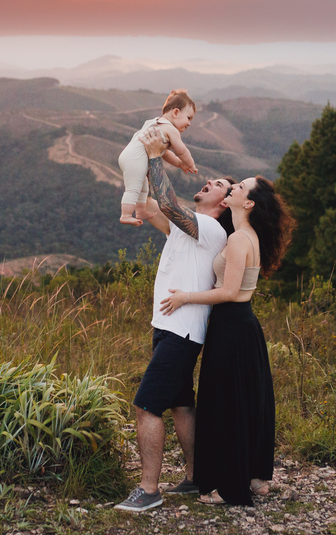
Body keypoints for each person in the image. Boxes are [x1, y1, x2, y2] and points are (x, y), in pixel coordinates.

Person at [113, 130, 233, 513]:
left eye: (220, 186)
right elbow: (154, 208)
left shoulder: (211, 229)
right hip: (169, 327)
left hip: (182, 331)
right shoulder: (188, 229)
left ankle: (149, 491)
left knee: (148, 405)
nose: (210, 182)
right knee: (182, 405)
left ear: (225, 205)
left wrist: (153, 158)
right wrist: (140, 164)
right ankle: (197, 476)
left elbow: (167, 202)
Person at [159, 174, 294, 506]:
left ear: (247, 203)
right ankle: (253, 477)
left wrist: (186, 297)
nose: (233, 187)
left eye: (240, 187)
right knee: (244, 402)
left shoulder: (239, 240)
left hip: (231, 328)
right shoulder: (244, 235)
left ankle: (230, 488)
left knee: (225, 404)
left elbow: (230, 292)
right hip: (241, 327)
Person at [117, 88, 198, 226]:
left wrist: (179, 164)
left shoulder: (154, 123)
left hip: (130, 157)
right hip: (135, 160)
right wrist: (190, 164)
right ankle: (125, 215)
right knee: (133, 188)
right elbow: (182, 151)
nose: (189, 123)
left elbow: (164, 153)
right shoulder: (171, 129)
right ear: (176, 112)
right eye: (188, 118)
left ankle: (141, 211)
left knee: (143, 188)